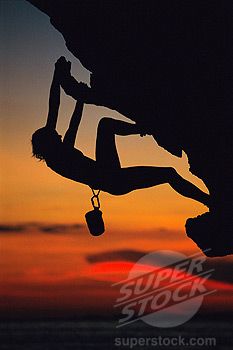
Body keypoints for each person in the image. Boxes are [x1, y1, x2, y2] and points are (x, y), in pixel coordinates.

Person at [31, 57, 209, 206]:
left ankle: (208, 202)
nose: (57, 133)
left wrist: (78, 97)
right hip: (111, 177)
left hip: (112, 177)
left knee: (169, 174)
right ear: (48, 143)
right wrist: (60, 76)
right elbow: (56, 111)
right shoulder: (59, 160)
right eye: (54, 135)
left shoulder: (57, 153)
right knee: (105, 125)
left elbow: (64, 120)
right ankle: (144, 128)